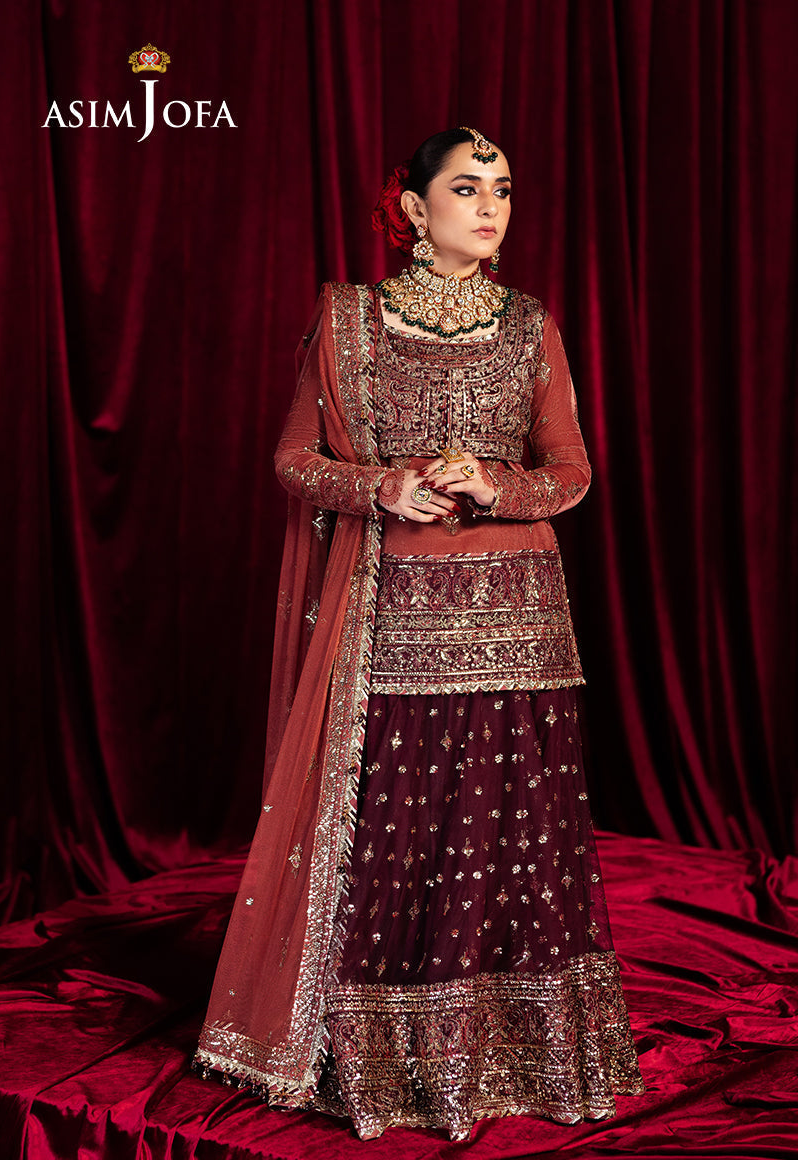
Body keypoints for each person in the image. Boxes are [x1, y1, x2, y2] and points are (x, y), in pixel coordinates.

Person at [195, 127, 644, 1141]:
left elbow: (571, 472)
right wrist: (383, 487)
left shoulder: (529, 325)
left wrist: (496, 482)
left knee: (509, 839)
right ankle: (388, 1061)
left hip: (518, 620)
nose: (490, 207)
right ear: (412, 207)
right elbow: (293, 458)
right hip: (392, 616)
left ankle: (514, 1055)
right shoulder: (349, 319)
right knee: (401, 834)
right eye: (467, 187)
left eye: (503, 189)